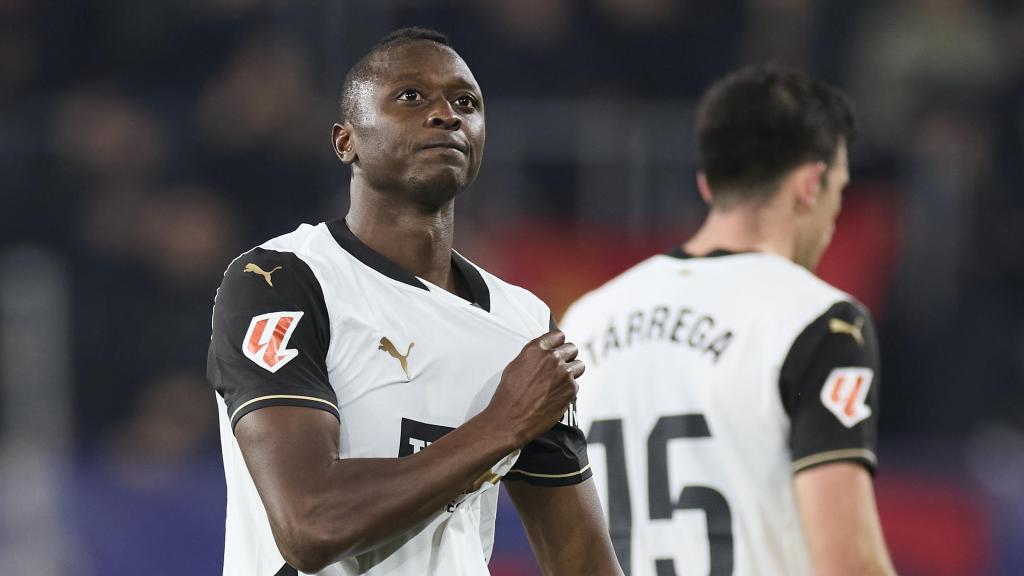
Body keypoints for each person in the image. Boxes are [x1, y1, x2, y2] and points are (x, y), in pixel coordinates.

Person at [206, 27, 621, 576]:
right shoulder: (282, 280)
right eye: (411, 96)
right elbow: (310, 525)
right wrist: (502, 424)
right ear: (345, 140)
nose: (447, 114)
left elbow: (581, 557)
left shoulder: (522, 322)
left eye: (465, 102)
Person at [560, 66, 896, 576]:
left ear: (707, 183)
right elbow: (847, 561)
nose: (833, 218)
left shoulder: (584, 320)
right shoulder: (819, 320)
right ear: (810, 185)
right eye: (838, 192)